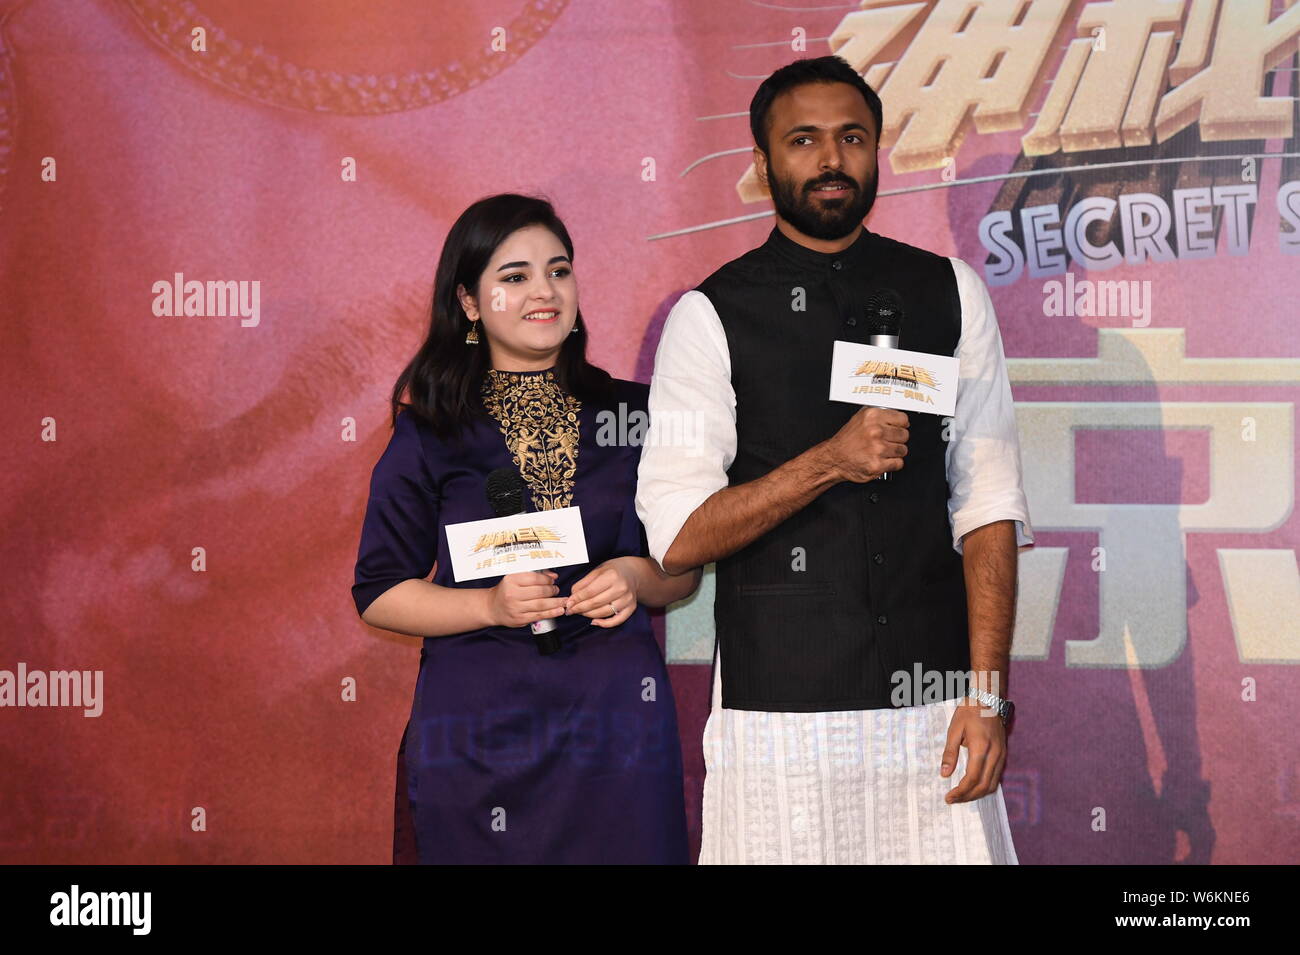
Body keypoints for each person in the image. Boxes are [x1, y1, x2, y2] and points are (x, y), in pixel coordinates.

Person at [636, 56, 1034, 864]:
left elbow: (988, 502)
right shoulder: (710, 315)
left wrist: (988, 694)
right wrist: (831, 460)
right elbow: (676, 536)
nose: (830, 160)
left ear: (877, 149)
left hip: (936, 707)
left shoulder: (949, 292)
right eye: (803, 140)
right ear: (761, 164)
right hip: (778, 716)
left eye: (851, 138)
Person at [352, 193, 699, 864]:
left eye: (559, 270)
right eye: (515, 276)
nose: (544, 290)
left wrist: (637, 575)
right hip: (479, 733)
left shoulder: (636, 414)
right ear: (471, 304)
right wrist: (488, 603)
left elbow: (682, 567)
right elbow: (379, 590)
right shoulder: (432, 431)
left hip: (616, 727)